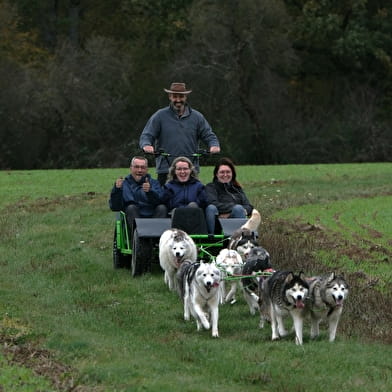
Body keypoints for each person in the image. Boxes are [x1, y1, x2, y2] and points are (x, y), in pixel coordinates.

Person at [139, 82, 220, 185]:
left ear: (186, 97)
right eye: (175, 96)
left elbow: (209, 135)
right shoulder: (159, 116)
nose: (178, 100)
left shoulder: (197, 117)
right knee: (164, 199)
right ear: (170, 97)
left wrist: (214, 145)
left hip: (190, 169)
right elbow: (147, 135)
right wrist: (146, 145)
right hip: (166, 169)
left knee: (193, 199)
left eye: (181, 96)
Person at [109, 156, 167, 229]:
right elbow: (115, 207)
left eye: (143, 167)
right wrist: (117, 190)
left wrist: (150, 192)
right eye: (136, 167)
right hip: (133, 218)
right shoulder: (124, 184)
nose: (139, 170)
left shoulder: (154, 183)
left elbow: (161, 200)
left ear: (147, 169)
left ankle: (156, 238)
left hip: (153, 216)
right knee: (131, 208)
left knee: (162, 208)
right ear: (131, 168)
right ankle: (137, 238)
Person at [205, 157, 253, 234]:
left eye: (228, 172)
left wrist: (231, 212)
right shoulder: (210, 187)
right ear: (216, 174)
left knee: (238, 209)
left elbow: (249, 207)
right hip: (217, 222)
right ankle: (212, 239)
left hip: (235, 218)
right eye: (222, 172)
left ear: (232, 174)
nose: (225, 175)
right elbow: (212, 203)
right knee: (211, 208)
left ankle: (239, 239)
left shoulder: (237, 188)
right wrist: (234, 207)